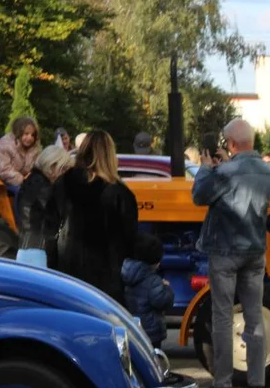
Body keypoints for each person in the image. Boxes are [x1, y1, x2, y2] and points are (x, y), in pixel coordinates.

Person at [192, 118, 270, 388]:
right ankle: (256, 384)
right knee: (254, 317)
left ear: (229, 143)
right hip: (255, 250)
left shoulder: (224, 173)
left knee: (223, 317)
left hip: (225, 250)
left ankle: (223, 384)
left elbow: (200, 197)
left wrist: (206, 168)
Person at [49, 130, 138, 305]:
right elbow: (129, 239)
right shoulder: (120, 193)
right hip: (106, 279)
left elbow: (49, 226)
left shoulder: (63, 184)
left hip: (68, 274)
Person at [15, 145, 74, 267]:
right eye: (64, 169)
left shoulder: (32, 181)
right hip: (38, 251)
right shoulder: (43, 187)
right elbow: (62, 210)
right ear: (53, 166)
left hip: (29, 246)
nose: (66, 175)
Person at [122, 233, 174, 348]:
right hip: (150, 331)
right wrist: (166, 287)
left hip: (133, 327)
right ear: (154, 262)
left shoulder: (126, 274)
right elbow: (162, 301)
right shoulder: (153, 281)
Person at [0, 117, 41, 192]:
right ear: (18, 133)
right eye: (26, 134)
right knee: (22, 191)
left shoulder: (34, 149)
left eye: (32, 135)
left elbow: (38, 167)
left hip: (21, 180)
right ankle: (19, 204)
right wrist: (23, 180)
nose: (30, 138)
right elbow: (3, 170)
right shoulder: (4, 145)